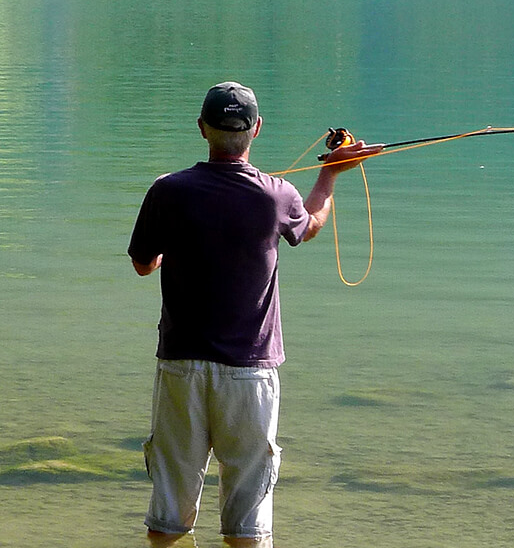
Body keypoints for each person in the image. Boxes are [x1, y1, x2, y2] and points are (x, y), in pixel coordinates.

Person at [128, 81, 380, 547]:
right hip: (250, 374)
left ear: (202, 128)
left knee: (168, 514)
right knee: (247, 521)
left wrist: (167, 253)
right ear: (256, 130)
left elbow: (144, 264)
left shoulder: (168, 191)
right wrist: (332, 174)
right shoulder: (276, 196)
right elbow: (312, 224)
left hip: (181, 367)